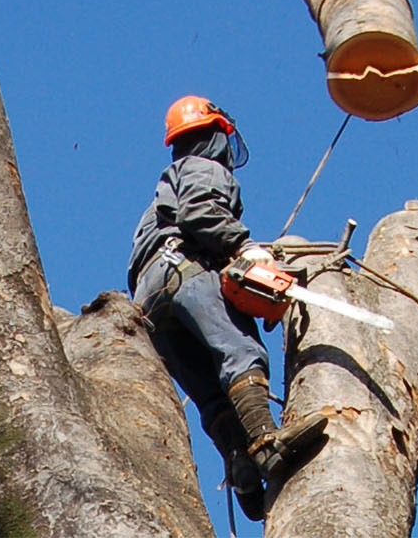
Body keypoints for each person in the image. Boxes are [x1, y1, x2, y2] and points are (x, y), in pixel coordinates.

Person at [127, 96, 327, 521]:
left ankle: (246, 471)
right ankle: (266, 441)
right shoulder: (204, 167)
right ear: (216, 134)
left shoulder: (159, 195)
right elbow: (202, 211)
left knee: (212, 394)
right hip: (185, 270)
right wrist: (243, 246)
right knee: (241, 350)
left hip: (148, 299)